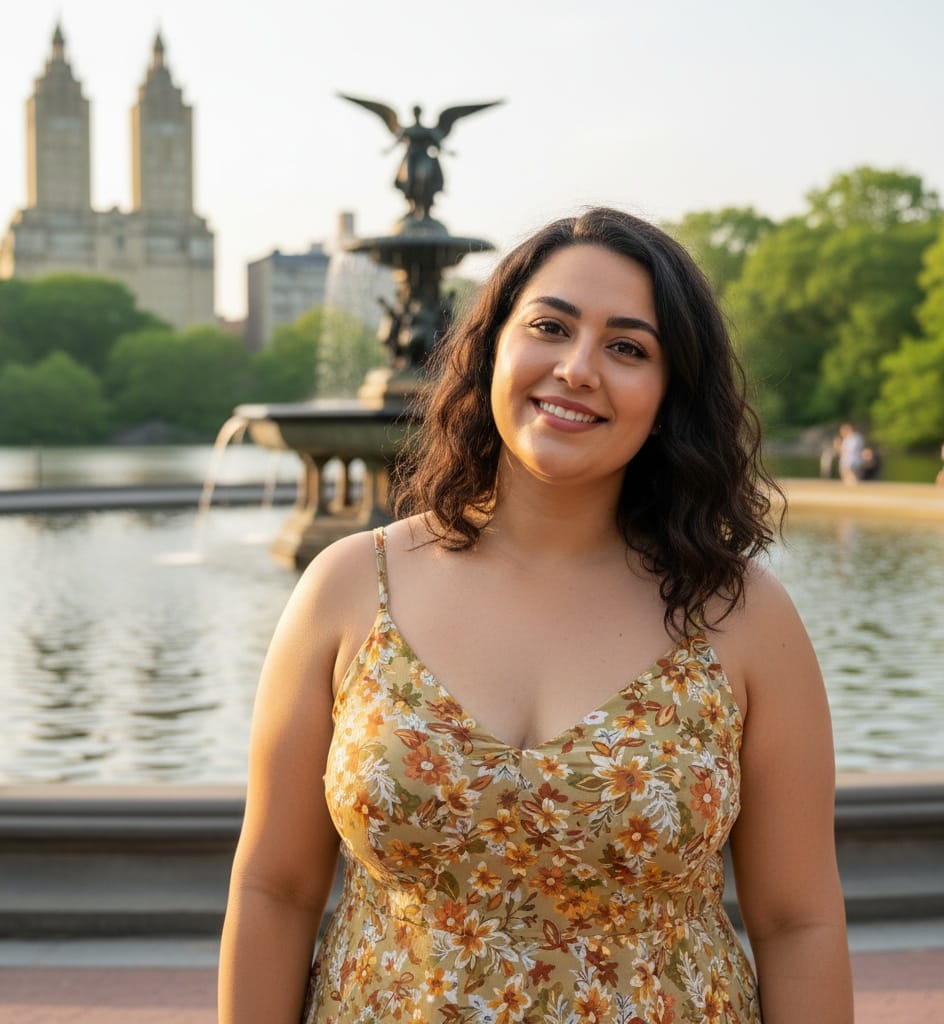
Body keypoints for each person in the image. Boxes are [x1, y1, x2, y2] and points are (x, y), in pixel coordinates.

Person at [219, 208, 852, 1023]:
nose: (578, 368)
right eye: (550, 327)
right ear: (491, 351)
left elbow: (796, 921)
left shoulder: (742, 617)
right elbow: (276, 888)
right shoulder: (349, 587)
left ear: (670, 395)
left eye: (628, 348)